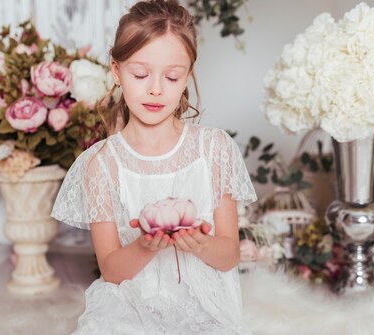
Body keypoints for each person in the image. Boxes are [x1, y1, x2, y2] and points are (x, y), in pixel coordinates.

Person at [51, 0, 256, 333]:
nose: (156, 88)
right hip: (129, 308)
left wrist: (201, 243)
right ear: (116, 72)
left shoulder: (214, 149)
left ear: (188, 76)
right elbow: (112, 271)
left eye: (172, 77)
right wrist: (144, 245)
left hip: (203, 309)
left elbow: (229, 255)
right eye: (141, 74)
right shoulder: (101, 165)